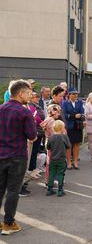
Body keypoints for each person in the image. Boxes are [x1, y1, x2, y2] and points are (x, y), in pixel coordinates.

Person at [0, 79, 37, 235]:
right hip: (17, 155)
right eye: (28, 93)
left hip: (1, 154)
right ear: (20, 93)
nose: (30, 96)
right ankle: (8, 223)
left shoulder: (1, 108)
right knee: (13, 191)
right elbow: (32, 136)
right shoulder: (24, 112)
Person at [46, 120, 71, 197]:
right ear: (62, 128)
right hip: (61, 159)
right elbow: (68, 146)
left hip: (53, 159)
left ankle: (49, 189)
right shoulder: (64, 137)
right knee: (60, 174)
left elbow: (48, 147)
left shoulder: (51, 137)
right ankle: (60, 190)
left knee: (52, 173)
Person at [62, 87, 85, 170]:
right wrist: (73, 116)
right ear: (69, 95)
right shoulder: (65, 103)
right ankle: (68, 162)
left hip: (78, 126)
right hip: (69, 126)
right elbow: (64, 115)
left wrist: (81, 115)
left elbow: (82, 112)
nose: (75, 95)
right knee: (69, 144)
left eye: (76, 94)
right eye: (74, 94)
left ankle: (75, 161)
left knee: (77, 144)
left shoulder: (80, 102)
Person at [28, 92, 45, 171]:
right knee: (33, 151)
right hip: (36, 130)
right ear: (31, 98)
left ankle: (34, 168)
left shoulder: (38, 106)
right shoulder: (31, 106)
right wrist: (41, 122)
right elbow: (35, 117)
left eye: (38, 97)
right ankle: (31, 169)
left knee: (35, 151)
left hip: (40, 130)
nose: (38, 98)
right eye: (35, 97)